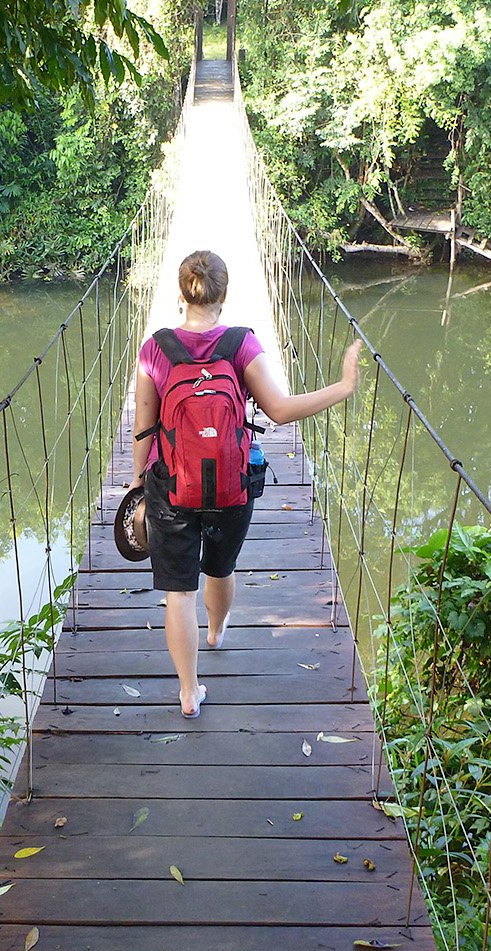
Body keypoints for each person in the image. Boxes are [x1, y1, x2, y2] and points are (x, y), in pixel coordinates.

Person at [130, 249, 361, 718]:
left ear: (180, 295)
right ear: (225, 295)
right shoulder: (241, 345)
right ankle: (216, 633)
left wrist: (138, 489)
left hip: (171, 485)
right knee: (220, 566)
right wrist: (343, 386)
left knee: (179, 592)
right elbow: (279, 409)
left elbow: (144, 425)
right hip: (231, 484)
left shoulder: (154, 349)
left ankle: (189, 692)